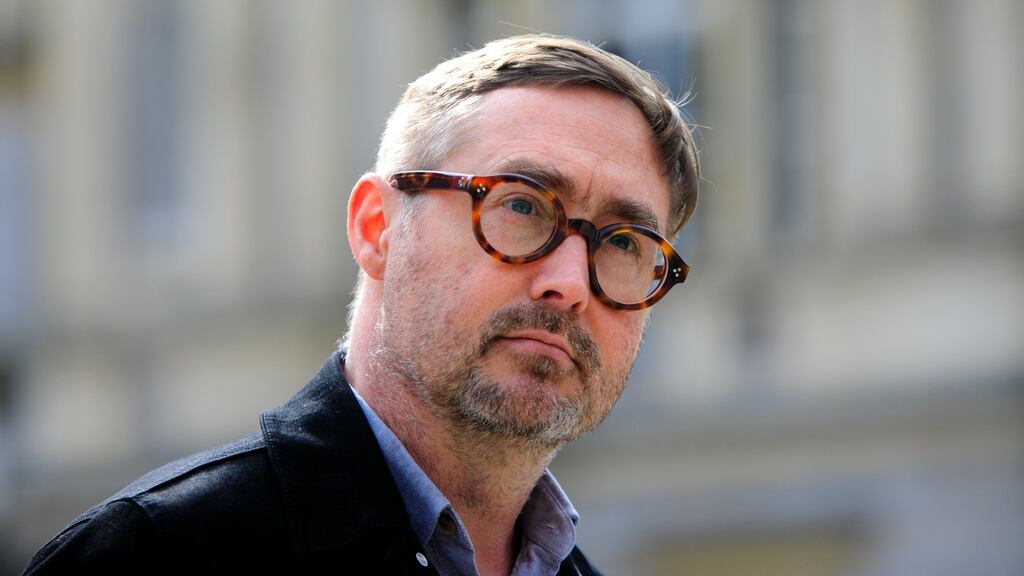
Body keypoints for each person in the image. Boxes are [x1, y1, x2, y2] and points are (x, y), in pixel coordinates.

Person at [24, 34, 699, 575]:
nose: (571, 282)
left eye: (622, 243)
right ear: (377, 228)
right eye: (520, 205)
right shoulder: (151, 554)